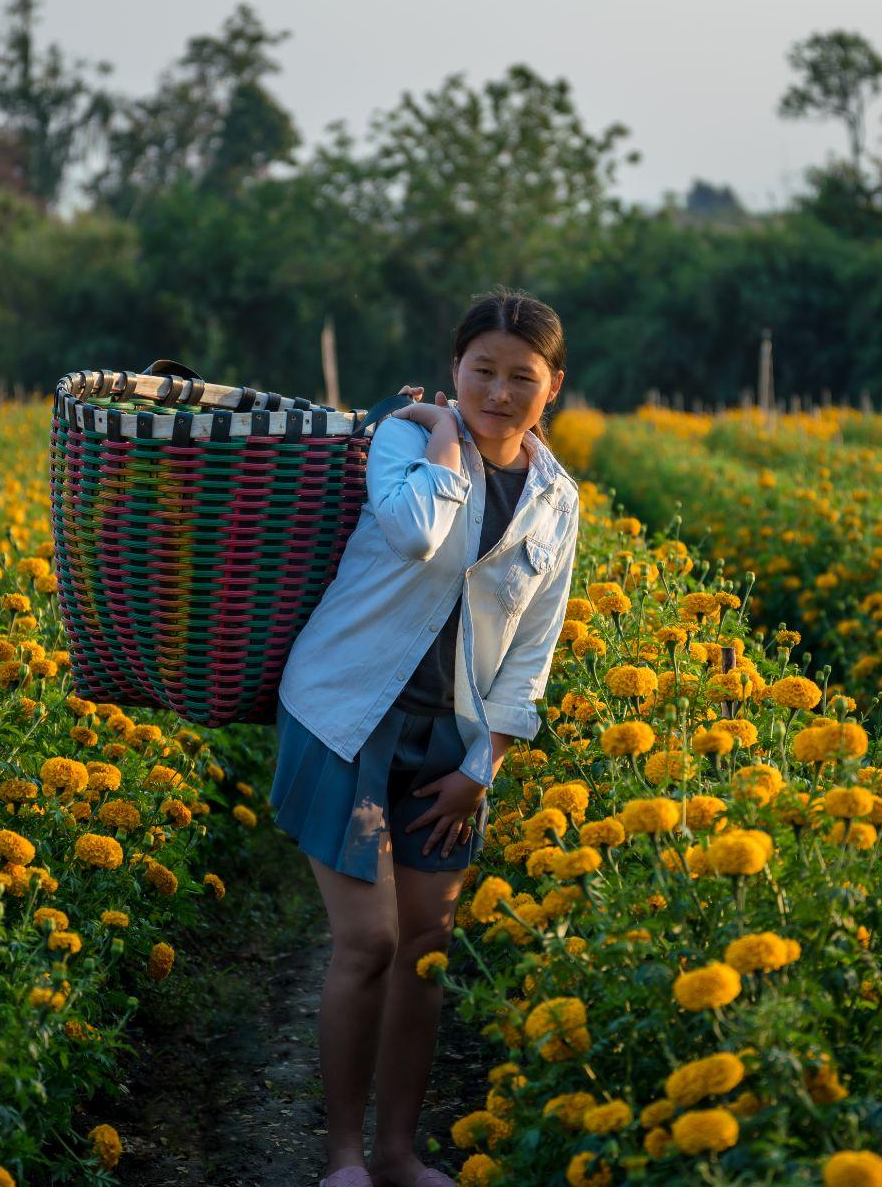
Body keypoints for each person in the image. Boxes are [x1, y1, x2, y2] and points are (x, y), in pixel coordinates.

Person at [270, 287, 581, 1187]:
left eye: (520, 376)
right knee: (368, 942)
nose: (498, 390)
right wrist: (444, 436)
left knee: (427, 951)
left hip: (452, 742)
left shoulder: (557, 501)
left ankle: (400, 1153)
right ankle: (342, 1160)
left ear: (552, 385)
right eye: (480, 371)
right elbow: (414, 532)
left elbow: (533, 649)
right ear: (455, 371)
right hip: (345, 716)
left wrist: (484, 766)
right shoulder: (406, 443)